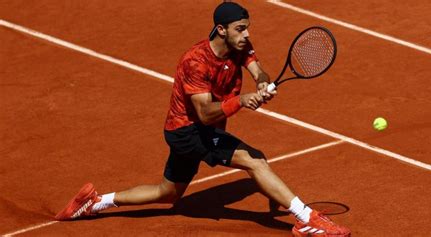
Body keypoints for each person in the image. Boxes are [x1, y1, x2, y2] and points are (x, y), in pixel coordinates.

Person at [55, 2, 350, 236]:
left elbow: (258, 69)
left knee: (167, 194)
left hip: (196, 130)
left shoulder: (240, 45)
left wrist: (261, 82)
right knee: (254, 160)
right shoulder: (195, 61)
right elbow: (206, 112)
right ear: (221, 30)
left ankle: (95, 202)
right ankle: (307, 219)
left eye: (247, 28)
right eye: (240, 29)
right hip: (189, 131)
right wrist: (243, 100)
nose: (247, 34)